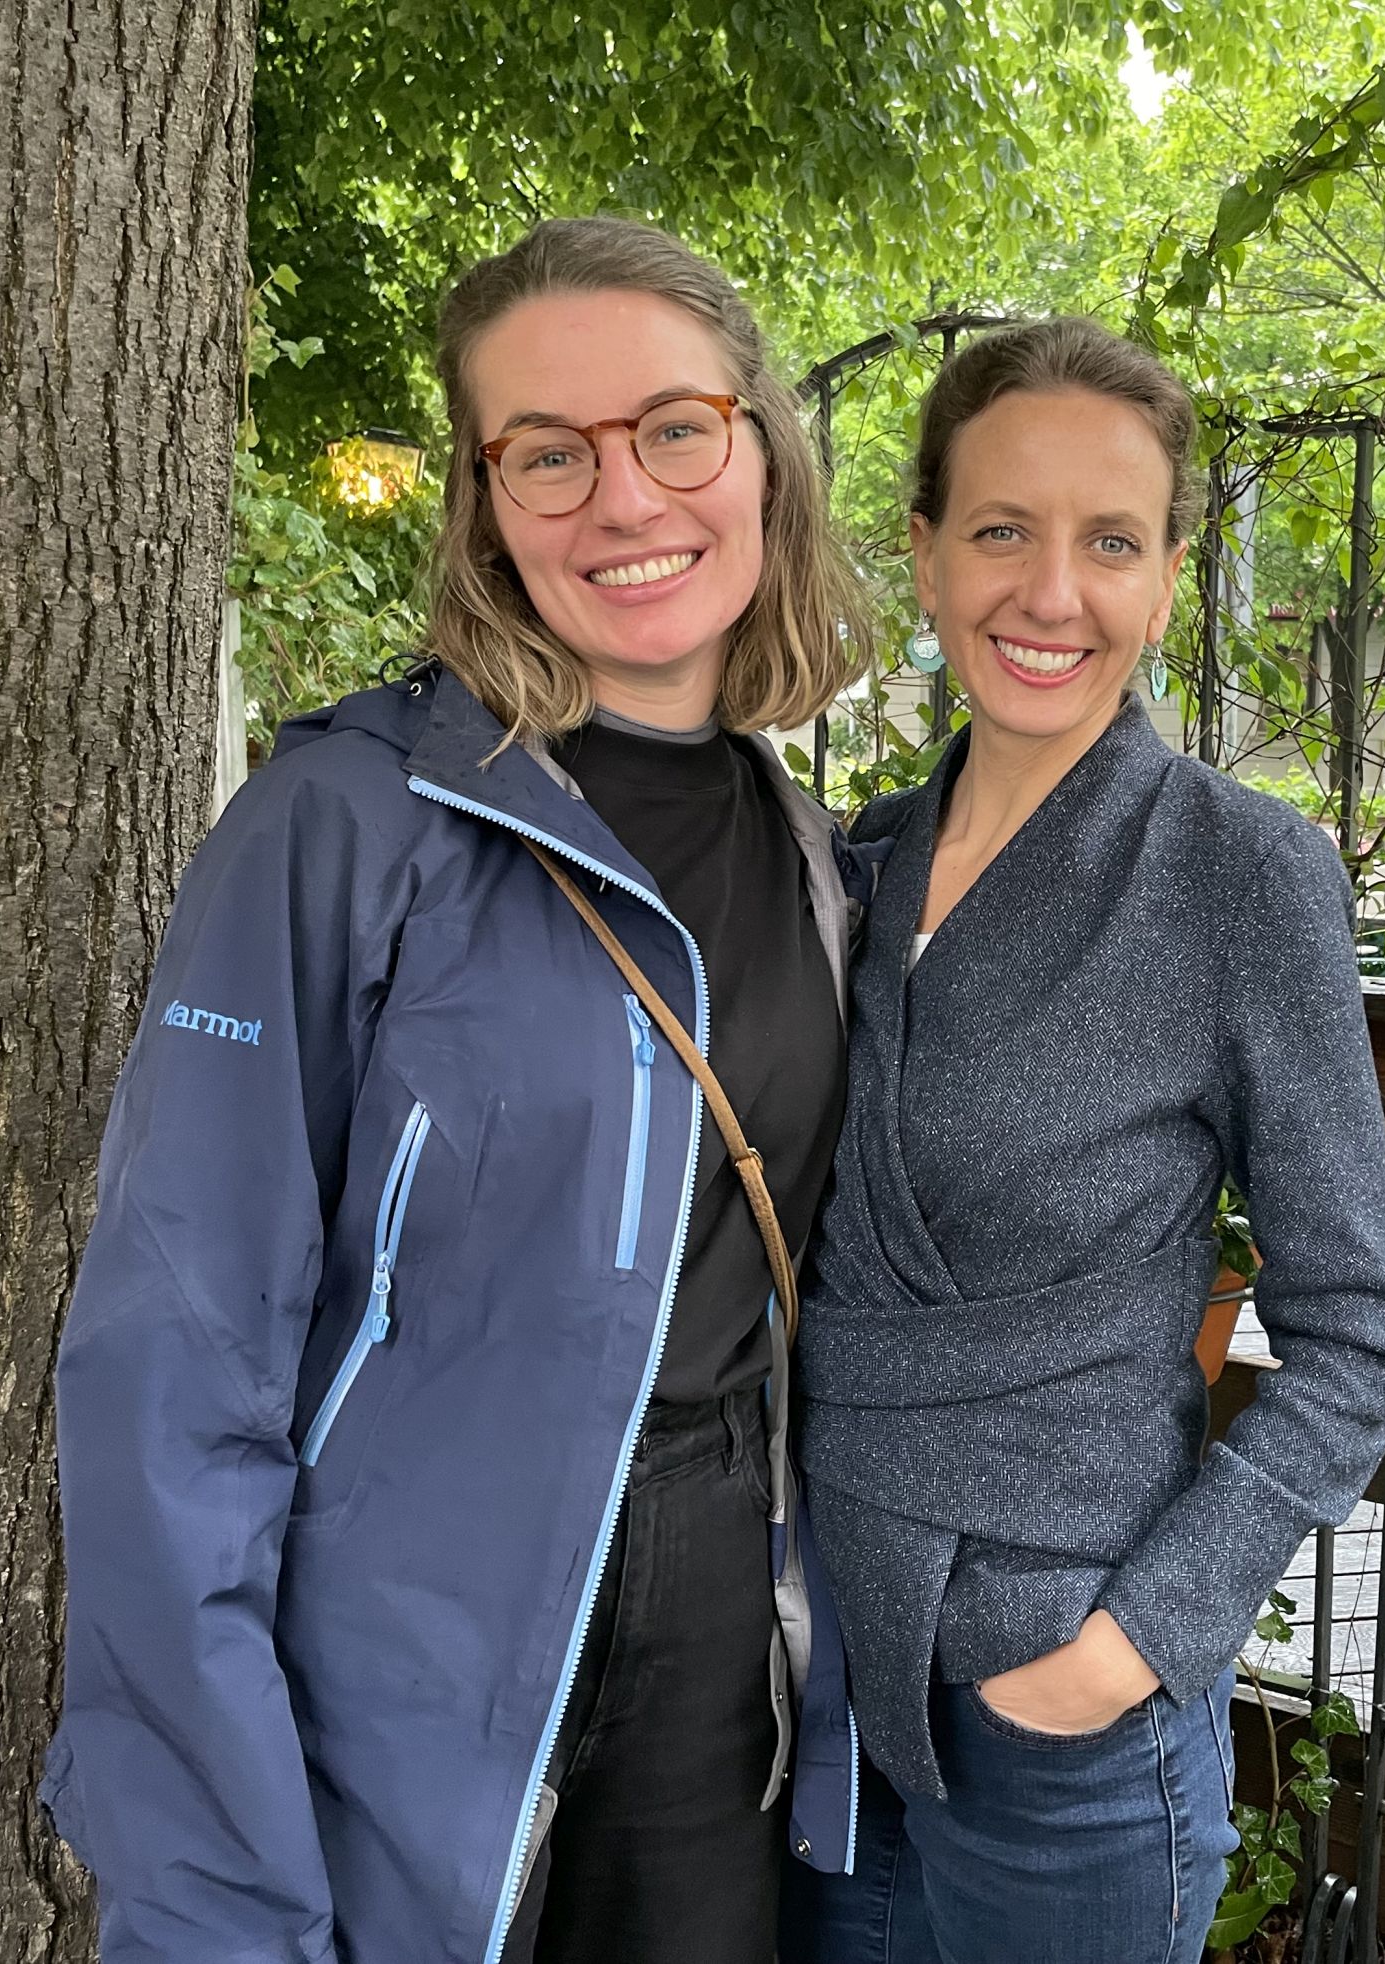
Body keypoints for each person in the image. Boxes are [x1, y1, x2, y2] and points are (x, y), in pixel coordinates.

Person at [42, 216, 872, 1964]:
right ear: (486, 506)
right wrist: (212, 1889)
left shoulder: (813, 857)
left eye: (672, 428)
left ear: (762, 452)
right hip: (400, 1676)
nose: (624, 500)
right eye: (546, 454)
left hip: (714, 1660)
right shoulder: (344, 828)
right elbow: (171, 1376)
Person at [779, 319, 1385, 1964]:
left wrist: (1134, 1641)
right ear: (923, 555)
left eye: (1109, 541)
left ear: (1169, 576)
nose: (1050, 593)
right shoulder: (856, 863)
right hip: (827, 1674)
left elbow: (1354, 1334)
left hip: (1062, 1707)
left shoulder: (1237, 873)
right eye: (1002, 530)